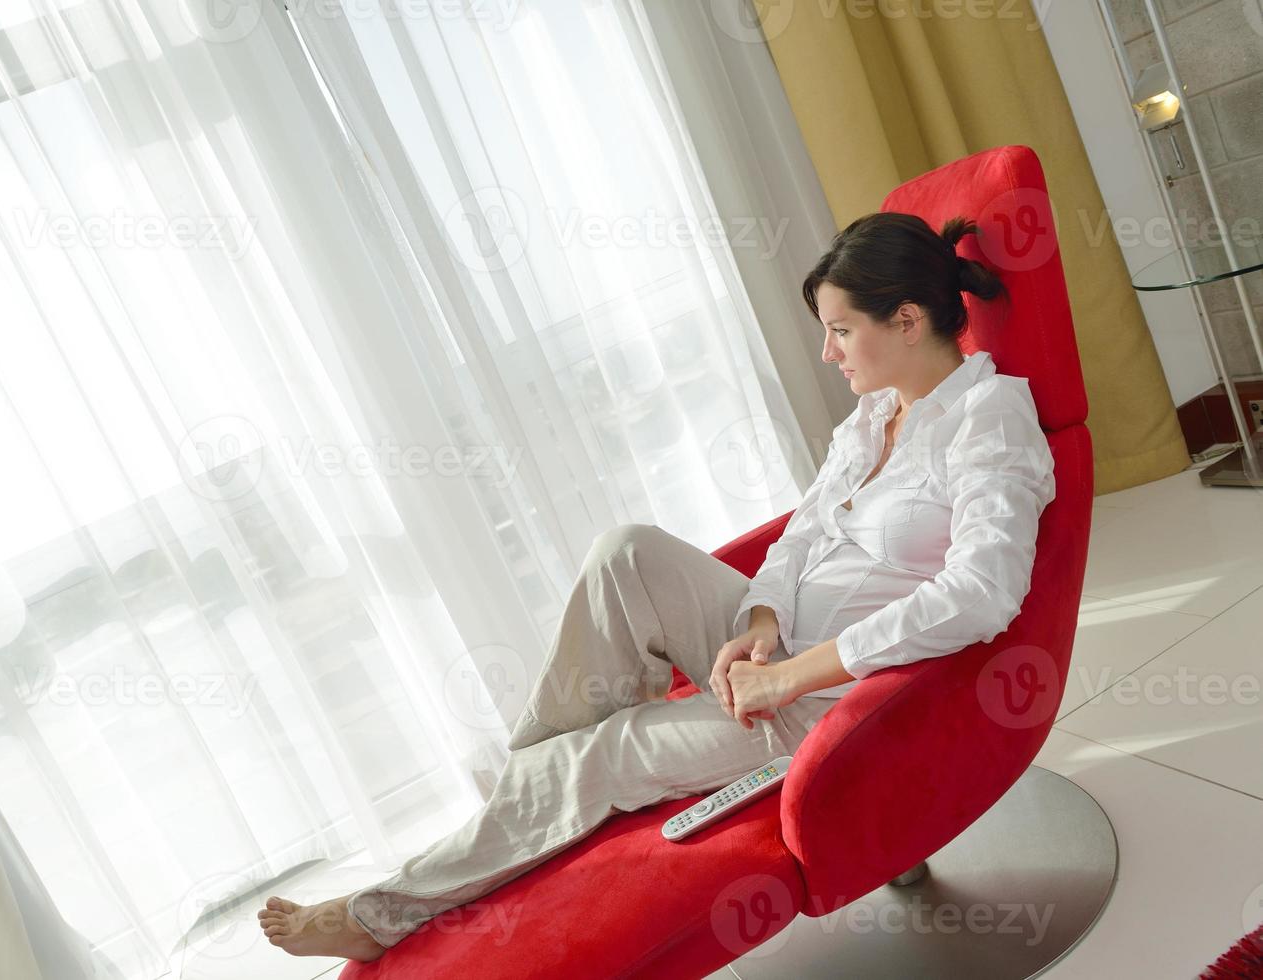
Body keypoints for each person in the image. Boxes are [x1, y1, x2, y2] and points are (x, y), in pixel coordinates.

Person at [255, 212, 1057, 962]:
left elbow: (981, 593)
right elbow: (803, 532)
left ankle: (382, 912)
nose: (828, 352)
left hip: (832, 703)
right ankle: (541, 786)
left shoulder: (988, 419)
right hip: (777, 656)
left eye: (841, 331)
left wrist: (787, 676)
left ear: (907, 321)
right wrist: (759, 621)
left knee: (606, 749)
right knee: (625, 553)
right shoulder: (875, 413)